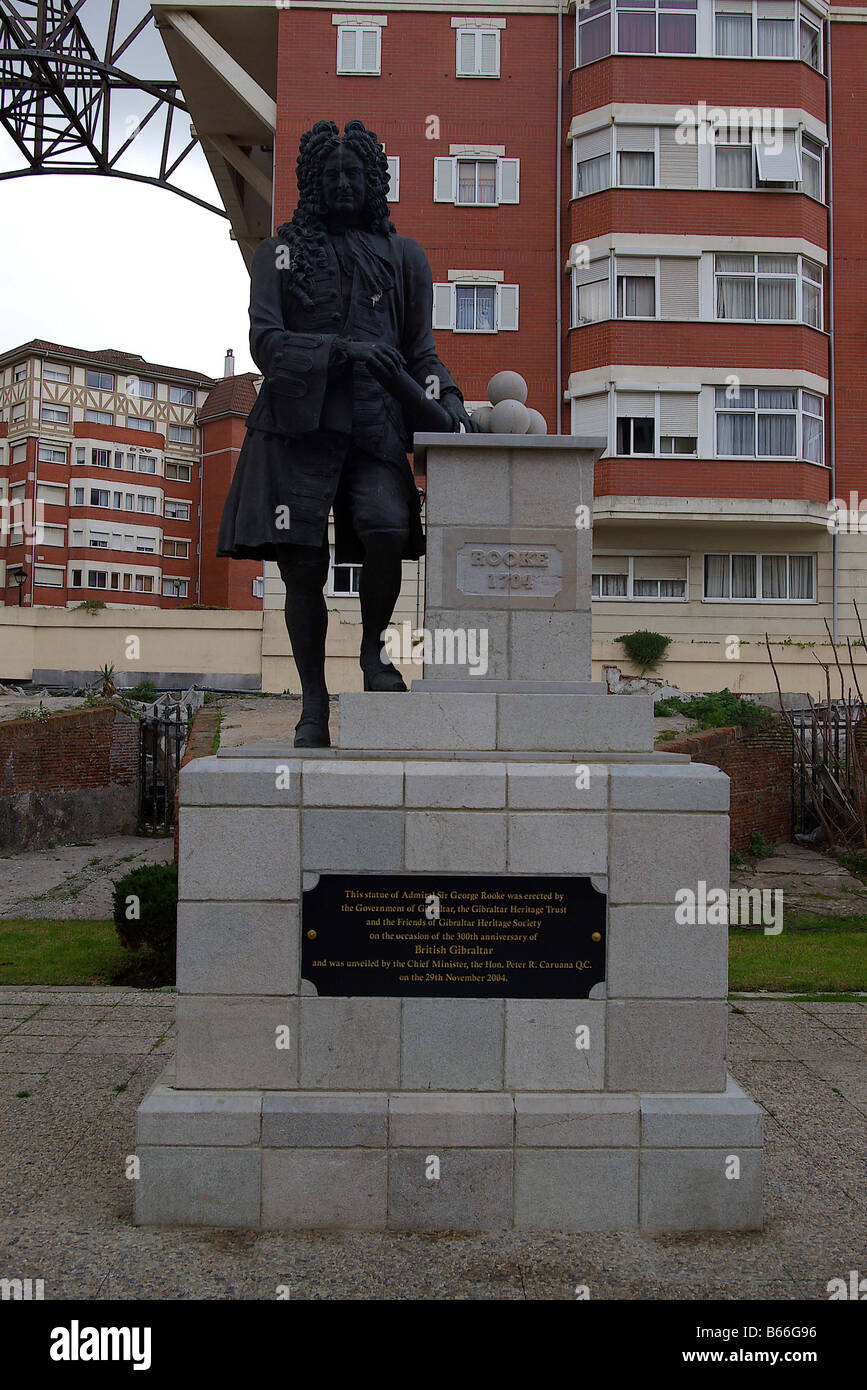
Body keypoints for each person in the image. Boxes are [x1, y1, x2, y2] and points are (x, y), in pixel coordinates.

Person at [218, 118, 476, 747]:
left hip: (374, 424)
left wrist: (451, 398)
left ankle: (373, 654)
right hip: (295, 428)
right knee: (303, 568)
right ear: (311, 181)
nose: (341, 184)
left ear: (372, 181)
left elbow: (422, 354)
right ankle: (312, 703)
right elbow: (266, 344)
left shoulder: (406, 256)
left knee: (386, 526)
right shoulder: (276, 252)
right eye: (329, 174)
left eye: (353, 174)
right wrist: (341, 351)